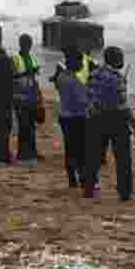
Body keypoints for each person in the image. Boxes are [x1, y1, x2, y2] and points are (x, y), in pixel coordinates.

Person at [84, 46, 135, 201]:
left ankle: (88, 188)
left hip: (96, 119)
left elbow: (88, 98)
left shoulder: (93, 74)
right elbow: (122, 105)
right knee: (123, 158)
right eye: (121, 57)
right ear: (115, 59)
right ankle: (124, 192)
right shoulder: (117, 78)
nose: (123, 60)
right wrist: (134, 124)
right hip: (116, 120)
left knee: (93, 157)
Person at [51, 46, 89, 188]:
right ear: (73, 63)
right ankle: (82, 177)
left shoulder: (61, 77)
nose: (81, 65)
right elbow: (82, 101)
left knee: (69, 148)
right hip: (77, 117)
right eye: (80, 63)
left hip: (64, 115)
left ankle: (71, 177)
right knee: (81, 150)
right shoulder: (74, 81)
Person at [12, 34, 40, 164]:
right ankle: (23, 154)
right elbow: (11, 77)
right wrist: (26, 74)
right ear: (20, 44)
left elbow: (35, 78)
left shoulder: (33, 57)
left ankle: (32, 152)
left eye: (29, 43)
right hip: (20, 96)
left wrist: (39, 95)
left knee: (32, 125)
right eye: (25, 43)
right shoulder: (15, 58)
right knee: (23, 125)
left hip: (32, 95)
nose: (28, 46)